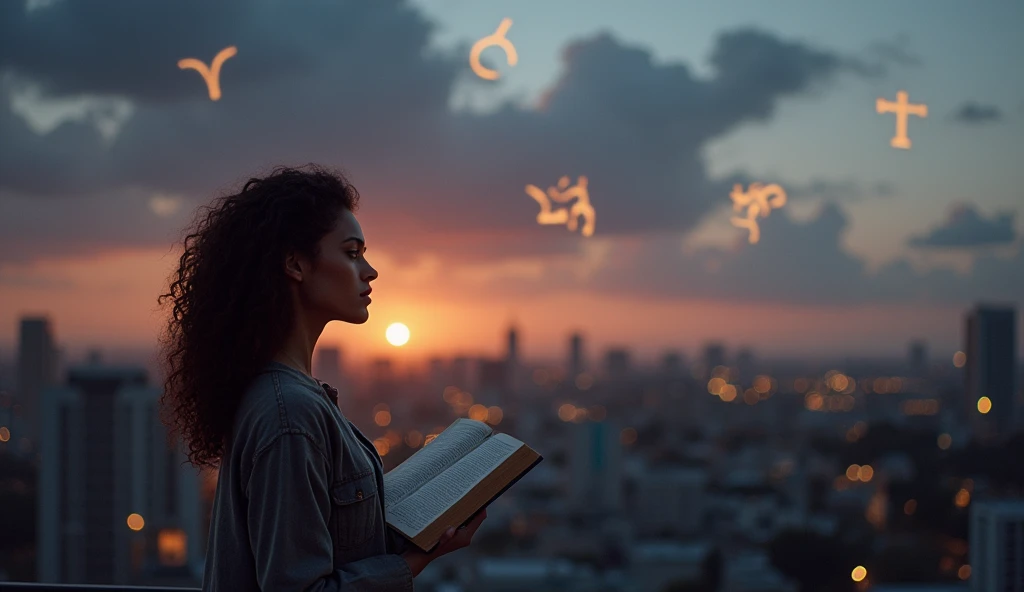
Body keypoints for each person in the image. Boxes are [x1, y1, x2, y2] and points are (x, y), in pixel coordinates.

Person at [157, 164, 486, 591]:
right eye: (351, 253)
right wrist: (411, 564)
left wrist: (424, 537)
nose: (370, 271)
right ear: (295, 264)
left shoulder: (287, 397)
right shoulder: (290, 414)